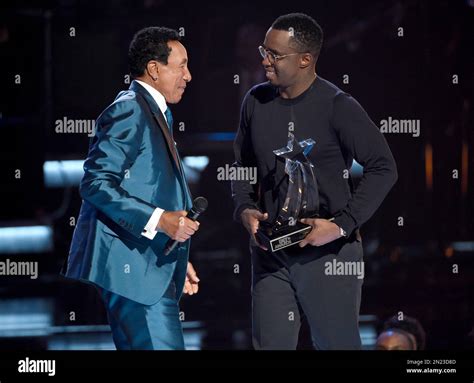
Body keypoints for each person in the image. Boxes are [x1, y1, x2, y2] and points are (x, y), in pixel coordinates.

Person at [231, 13, 398, 350]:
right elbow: (241, 166)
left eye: (274, 55)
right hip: (270, 254)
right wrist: (245, 207)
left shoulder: (338, 106)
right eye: (265, 50)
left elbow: (384, 168)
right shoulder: (255, 102)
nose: (264, 59)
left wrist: (340, 225)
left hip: (328, 254)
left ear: (305, 59)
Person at [63, 27, 200, 350]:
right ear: (154, 68)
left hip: (149, 265)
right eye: (181, 65)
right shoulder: (130, 109)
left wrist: (174, 255)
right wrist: (160, 220)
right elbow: (96, 183)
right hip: (132, 271)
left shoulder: (152, 111)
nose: (189, 75)